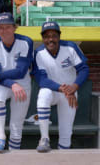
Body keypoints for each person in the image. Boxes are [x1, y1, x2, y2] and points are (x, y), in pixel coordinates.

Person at [0, 13, 33, 153]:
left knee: (17, 126)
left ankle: (14, 155)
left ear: (15, 27)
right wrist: (12, 84)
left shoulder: (26, 42)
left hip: (22, 83)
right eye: (1, 27)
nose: (4, 30)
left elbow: (21, 71)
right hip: (3, 84)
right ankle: (0, 136)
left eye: (8, 27)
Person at [33, 21, 89, 152]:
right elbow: (41, 80)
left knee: (66, 133)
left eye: (54, 35)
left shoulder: (71, 47)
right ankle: (44, 138)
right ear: (42, 38)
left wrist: (74, 87)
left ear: (59, 36)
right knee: (43, 94)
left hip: (70, 93)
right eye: (46, 36)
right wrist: (62, 88)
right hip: (54, 91)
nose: (50, 39)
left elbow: (84, 69)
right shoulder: (39, 53)